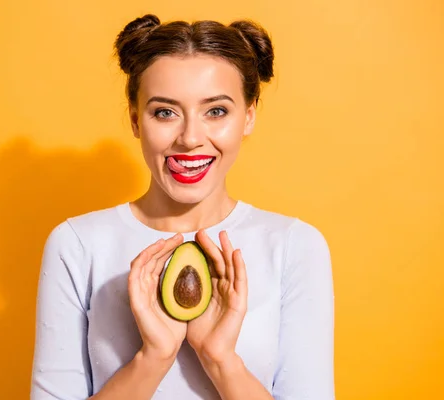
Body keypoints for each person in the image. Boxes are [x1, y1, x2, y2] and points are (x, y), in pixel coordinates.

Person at [30, 14, 335, 400]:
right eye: (164, 112)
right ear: (135, 119)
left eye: (216, 111)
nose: (190, 138)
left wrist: (220, 359)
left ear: (249, 116)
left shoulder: (294, 246)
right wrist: (153, 357)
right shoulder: (77, 244)